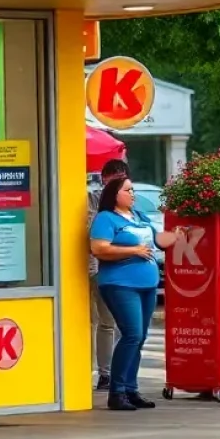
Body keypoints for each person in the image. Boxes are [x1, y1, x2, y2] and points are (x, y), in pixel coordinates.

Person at [90, 177, 182, 411]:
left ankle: (131, 389)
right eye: (128, 190)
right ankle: (117, 392)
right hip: (120, 284)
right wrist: (133, 250)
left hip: (147, 284)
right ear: (115, 194)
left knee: (139, 337)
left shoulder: (139, 216)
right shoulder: (106, 219)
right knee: (131, 334)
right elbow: (99, 248)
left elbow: (157, 240)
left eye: (133, 190)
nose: (133, 194)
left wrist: (176, 234)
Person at [89, 159, 128, 390]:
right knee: (98, 321)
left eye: (121, 178)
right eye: (112, 177)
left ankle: (110, 373)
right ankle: (99, 372)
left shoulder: (128, 206)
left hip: (120, 270)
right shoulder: (92, 200)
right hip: (96, 267)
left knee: (112, 323)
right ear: (103, 178)